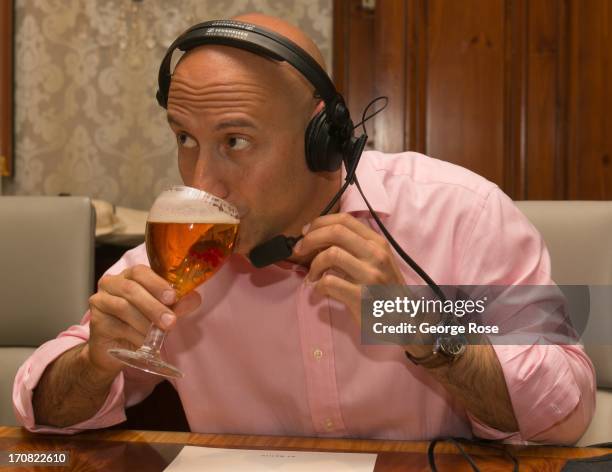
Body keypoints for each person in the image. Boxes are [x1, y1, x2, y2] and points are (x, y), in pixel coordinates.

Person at [13, 13, 594, 444]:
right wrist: (94, 364)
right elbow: (41, 410)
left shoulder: (462, 214)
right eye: (185, 139)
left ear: (323, 138)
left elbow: (566, 407)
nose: (203, 181)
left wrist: (416, 319)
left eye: (235, 142)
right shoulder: (185, 247)